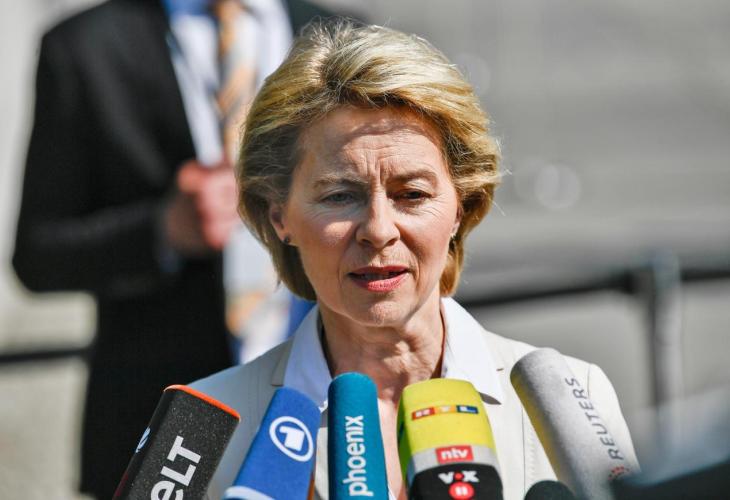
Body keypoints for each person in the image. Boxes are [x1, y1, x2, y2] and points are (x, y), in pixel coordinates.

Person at [191, 20, 639, 500]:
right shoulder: (207, 427)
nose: (379, 229)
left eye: (411, 194)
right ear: (279, 215)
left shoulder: (574, 399)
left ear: (462, 205)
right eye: (340, 196)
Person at [11, 0, 333, 497]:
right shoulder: (85, 45)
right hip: (167, 417)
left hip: (322, 402)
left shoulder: (340, 33)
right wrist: (162, 230)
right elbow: (38, 254)